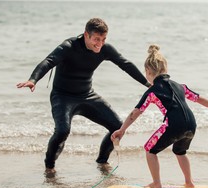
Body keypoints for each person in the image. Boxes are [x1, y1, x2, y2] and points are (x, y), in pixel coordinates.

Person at [17, 18, 151, 173]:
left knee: (117, 126)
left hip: (87, 95)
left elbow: (125, 64)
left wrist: (148, 85)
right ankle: (49, 166)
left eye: (103, 39)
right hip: (62, 97)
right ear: (86, 35)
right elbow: (48, 61)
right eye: (96, 39)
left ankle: (102, 162)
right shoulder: (68, 47)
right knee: (62, 131)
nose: (100, 44)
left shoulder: (105, 49)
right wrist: (33, 80)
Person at [111, 44, 208, 188]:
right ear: (165, 68)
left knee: (150, 149)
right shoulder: (180, 86)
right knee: (180, 151)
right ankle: (189, 182)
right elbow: (198, 98)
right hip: (191, 124)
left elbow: (135, 113)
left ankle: (156, 183)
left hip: (174, 125)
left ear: (147, 71)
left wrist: (122, 130)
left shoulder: (152, 91)